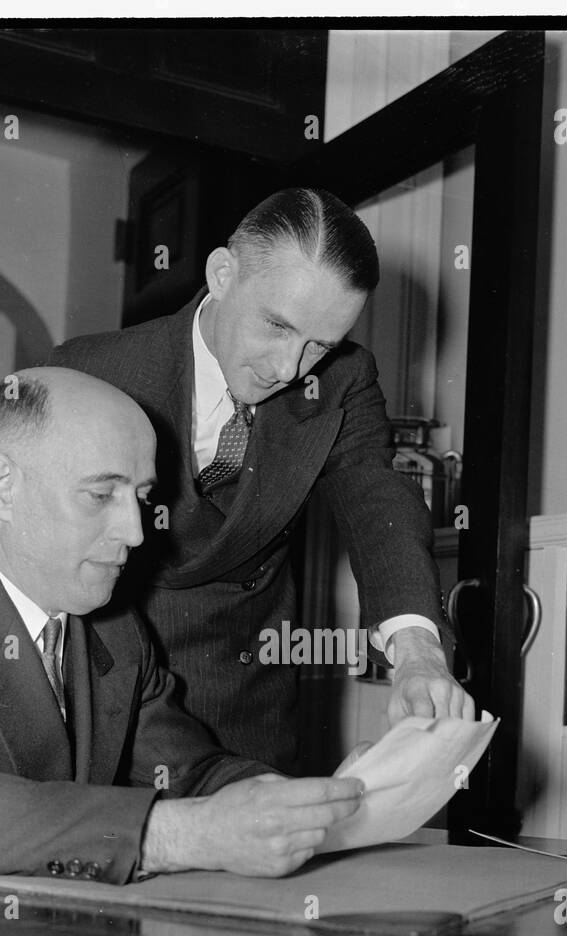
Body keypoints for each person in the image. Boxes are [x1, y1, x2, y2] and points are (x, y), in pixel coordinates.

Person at [0, 368, 363, 885]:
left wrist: (317, 804)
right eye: (101, 495)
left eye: (142, 498)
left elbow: (186, 776)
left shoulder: (114, 624)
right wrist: (167, 836)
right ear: (3, 487)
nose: (134, 532)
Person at [50, 187, 475, 770]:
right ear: (223, 273)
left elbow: (378, 504)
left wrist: (418, 650)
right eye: (276, 325)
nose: (286, 369)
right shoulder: (87, 371)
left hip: (244, 705)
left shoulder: (344, 380)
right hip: (102, 695)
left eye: (318, 346)